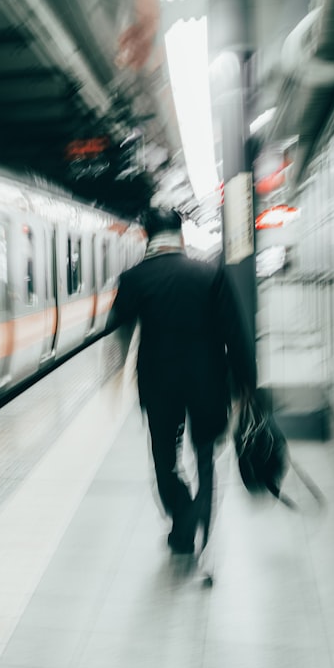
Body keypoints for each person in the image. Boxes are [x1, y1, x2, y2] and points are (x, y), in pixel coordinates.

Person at [109, 208, 256, 554]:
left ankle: (183, 520)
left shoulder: (133, 279)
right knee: (205, 459)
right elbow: (236, 334)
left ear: (146, 236)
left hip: (159, 388)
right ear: (181, 235)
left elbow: (118, 333)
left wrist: (114, 378)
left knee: (165, 459)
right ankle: (199, 524)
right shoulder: (209, 274)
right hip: (209, 384)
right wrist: (247, 384)